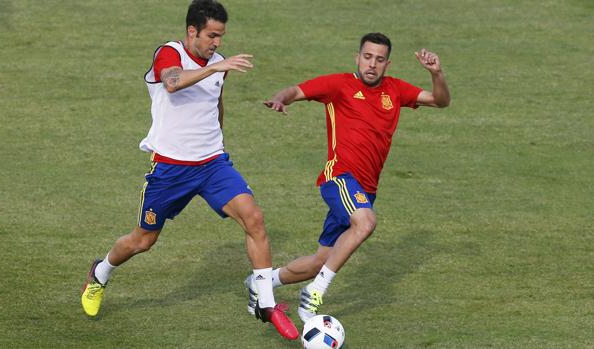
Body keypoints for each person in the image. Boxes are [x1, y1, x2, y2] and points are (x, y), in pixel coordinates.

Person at [81, 0, 298, 340]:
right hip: (170, 169)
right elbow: (172, 82)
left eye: (221, 37)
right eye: (212, 36)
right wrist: (215, 67)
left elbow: (216, 102)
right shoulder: (168, 53)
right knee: (142, 241)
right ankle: (100, 272)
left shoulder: (218, 65)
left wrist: (220, 141)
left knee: (254, 218)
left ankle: (265, 303)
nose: (217, 44)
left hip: (212, 164)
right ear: (192, 31)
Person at [245, 32, 451, 322]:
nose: (372, 64)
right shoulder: (339, 85)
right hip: (339, 178)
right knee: (366, 221)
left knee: (321, 261)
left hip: (365, 190)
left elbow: (440, 101)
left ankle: (263, 283)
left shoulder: (395, 90)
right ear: (357, 57)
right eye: (367, 57)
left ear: (387, 64)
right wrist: (281, 99)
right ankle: (314, 293)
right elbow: (296, 90)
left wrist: (437, 74)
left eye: (379, 60)